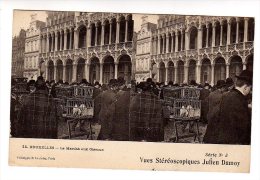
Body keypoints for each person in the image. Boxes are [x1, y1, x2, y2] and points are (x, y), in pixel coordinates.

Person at [204, 70, 252, 144]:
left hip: (219, 138)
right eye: (250, 89)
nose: (250, 91)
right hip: (232, 141)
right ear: (245, 87)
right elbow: (244, 127)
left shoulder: (226, 95)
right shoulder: (240, 100)